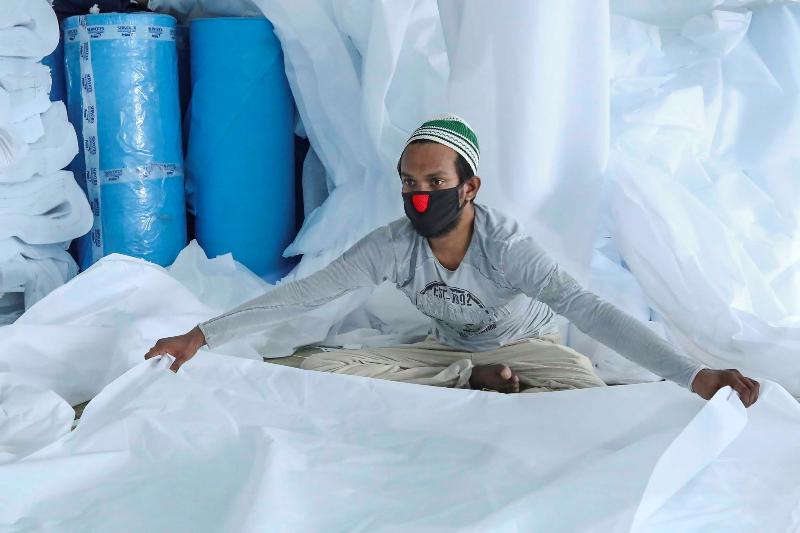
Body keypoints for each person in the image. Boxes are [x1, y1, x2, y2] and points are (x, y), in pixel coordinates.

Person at [146, 114, 760, 406]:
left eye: (436, 182)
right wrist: (200, 336)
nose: (420, 195)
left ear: (469, 188)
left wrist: (695, 375)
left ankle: (490, 377)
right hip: (444, 351)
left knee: (584, 398)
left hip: (528, 348)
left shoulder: (506, 247)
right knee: (316, 368)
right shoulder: (392, 244)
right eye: (409, 182)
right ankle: (471, 378)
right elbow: (308, 292)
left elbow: (588, 309)